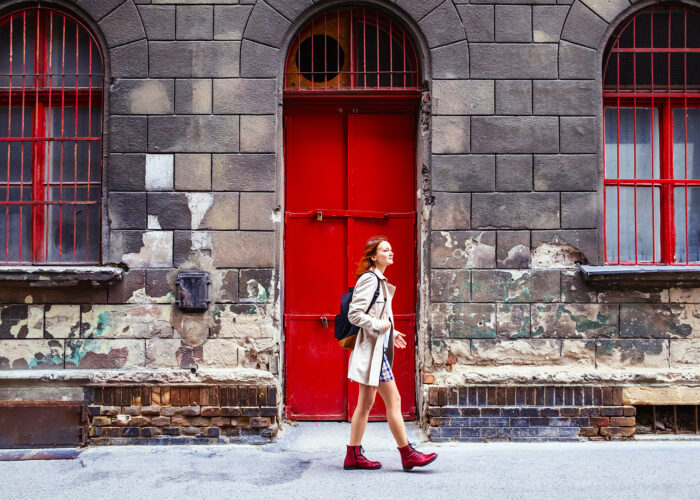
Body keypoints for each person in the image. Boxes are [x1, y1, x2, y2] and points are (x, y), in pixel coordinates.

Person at [343, 235, 437, 472]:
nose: (391, 252)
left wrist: (391, 334)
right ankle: (407, 454)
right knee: (393, 400)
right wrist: (380, 327)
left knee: (365, 403)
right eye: (385, 250)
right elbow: (354, 314)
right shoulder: (370, 279)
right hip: (372, 351)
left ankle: (353, 454)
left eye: (391, 249)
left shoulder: (380, 280)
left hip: (377, 348)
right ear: (373, 256)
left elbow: (382, 317)